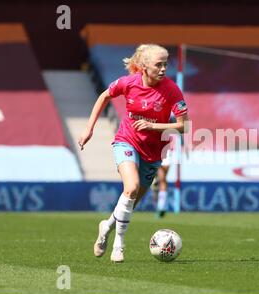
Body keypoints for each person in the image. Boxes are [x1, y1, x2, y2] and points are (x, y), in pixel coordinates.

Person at [78, 44, 189, 262]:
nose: (164, 68)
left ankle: (107, 226)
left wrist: (152, 127)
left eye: (166, 64)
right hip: (126, 141)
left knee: (132, 200)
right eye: (159, 64)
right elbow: (104, 96)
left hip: (154, 151)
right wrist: (89, 128)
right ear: (144, 66)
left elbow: (184, 126)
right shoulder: (128, 83)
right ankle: (119, 244)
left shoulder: (172, 89)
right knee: (131, 187)